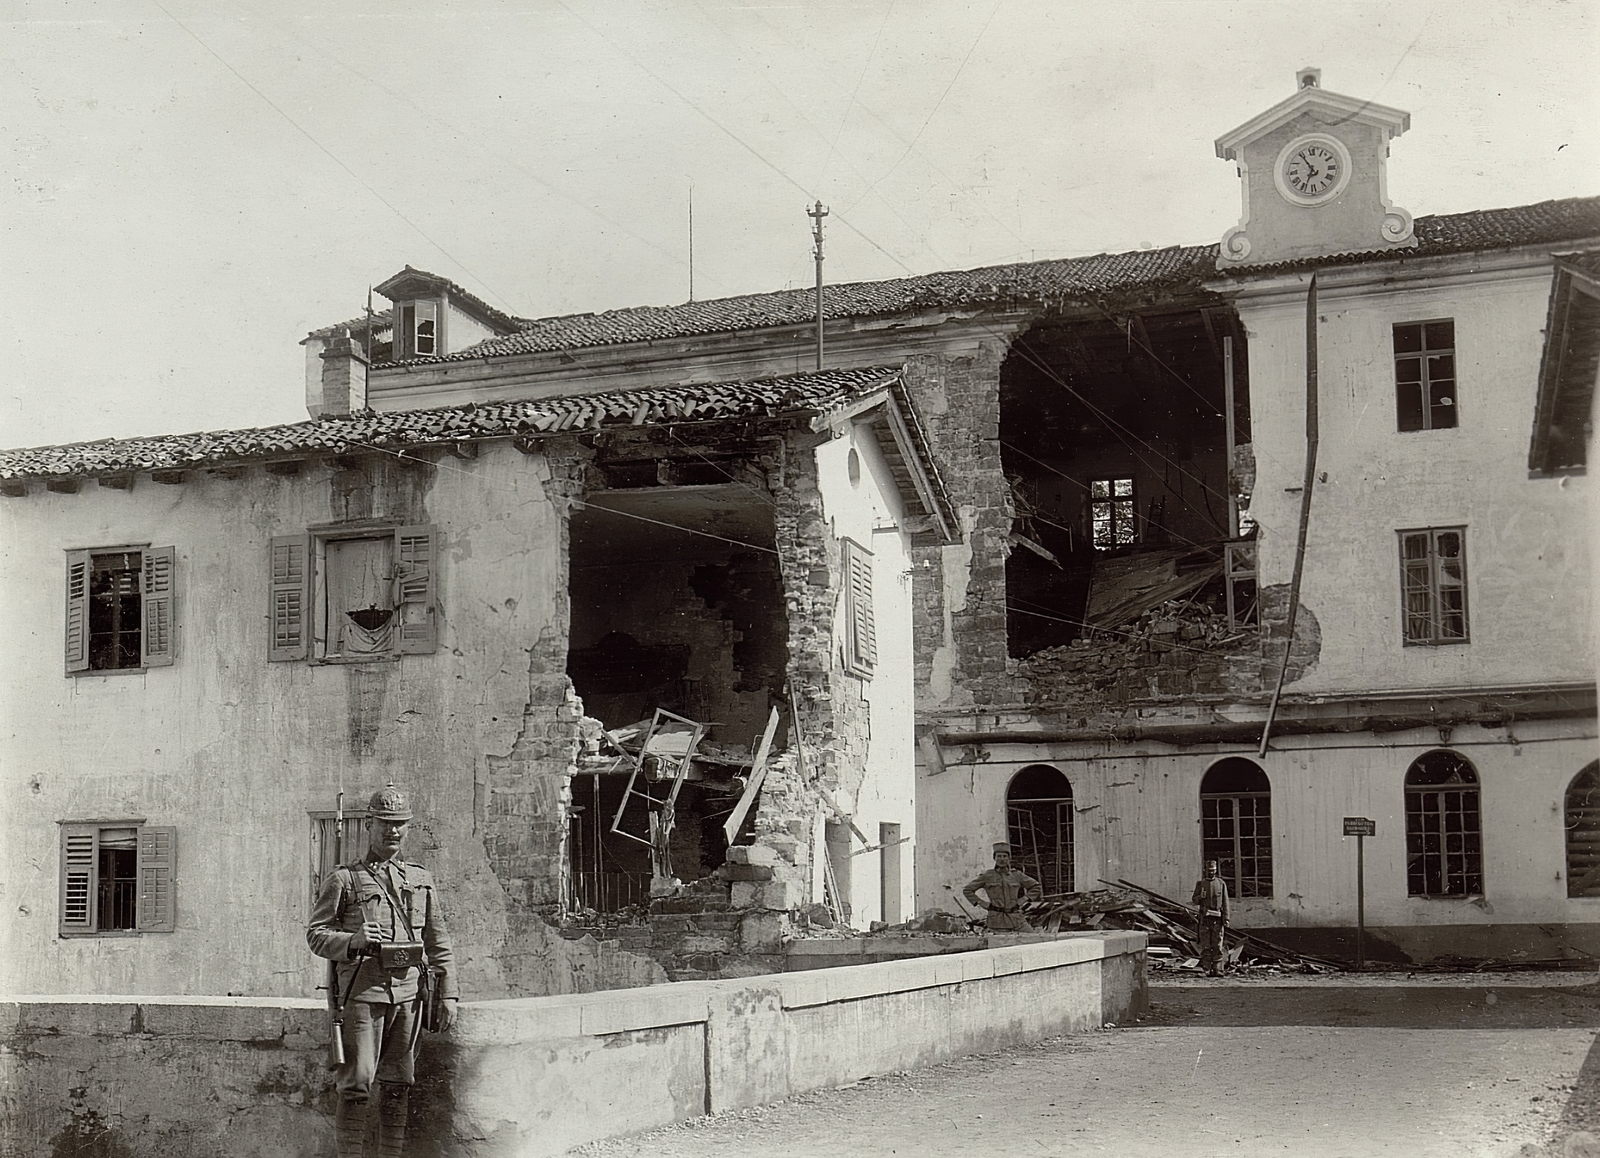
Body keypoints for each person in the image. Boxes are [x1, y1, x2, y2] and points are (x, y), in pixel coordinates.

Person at [309, 786, 458, 1158]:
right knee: (357, 1084)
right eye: (385, 824)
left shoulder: (421, 879)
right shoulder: (344, 880)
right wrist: (354, 940)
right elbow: (316, 935)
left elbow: (438, 941)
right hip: (363, 996)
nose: (393, 832)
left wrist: (449, 994)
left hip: (409, 996)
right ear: (369, 825)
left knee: (398, 1082)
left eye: (400, 825)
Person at [963, 842, 1042, 931]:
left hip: (1016, 918)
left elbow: (1036, 887)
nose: (1002, 859)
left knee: (1033, 939)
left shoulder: (1017, 875)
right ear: (994, 858)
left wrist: (1024, 899)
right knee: (1001, 942)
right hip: (997, 920)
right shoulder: (987, 876)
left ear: (1009, 858)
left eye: (1005, 856)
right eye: (999, 856)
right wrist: (981, 902)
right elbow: (967, 890)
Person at [1191, 859, 1230, 976]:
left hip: (1217, 919)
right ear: (1205, 871)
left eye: (1213, 871)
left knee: (1218, 944)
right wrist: (1200, 897)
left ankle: (1218, 969)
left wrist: (1226, 918)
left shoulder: (1221, 884)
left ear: (1216, 871)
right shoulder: (1200, 884)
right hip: (1205, 919)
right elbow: (1194, 900)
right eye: (1209, 871)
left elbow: (1225, 902)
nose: (1211, 873)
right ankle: (1206, 969)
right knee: (1206, 944)